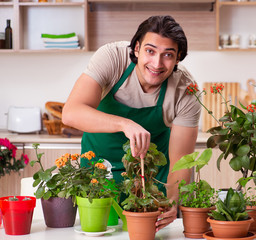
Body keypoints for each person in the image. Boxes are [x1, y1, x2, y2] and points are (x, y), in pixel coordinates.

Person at [62, 15, 201, 231]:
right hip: (99, 176)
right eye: (150, 51)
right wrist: (125, 124)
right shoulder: (112, 58)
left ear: (178, 58)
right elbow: (71, 113)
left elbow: (181, 159)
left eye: (168, 55)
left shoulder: (185, 90)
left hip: (150, 182)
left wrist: (173, 201)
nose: (157, 63)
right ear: (136, 48)